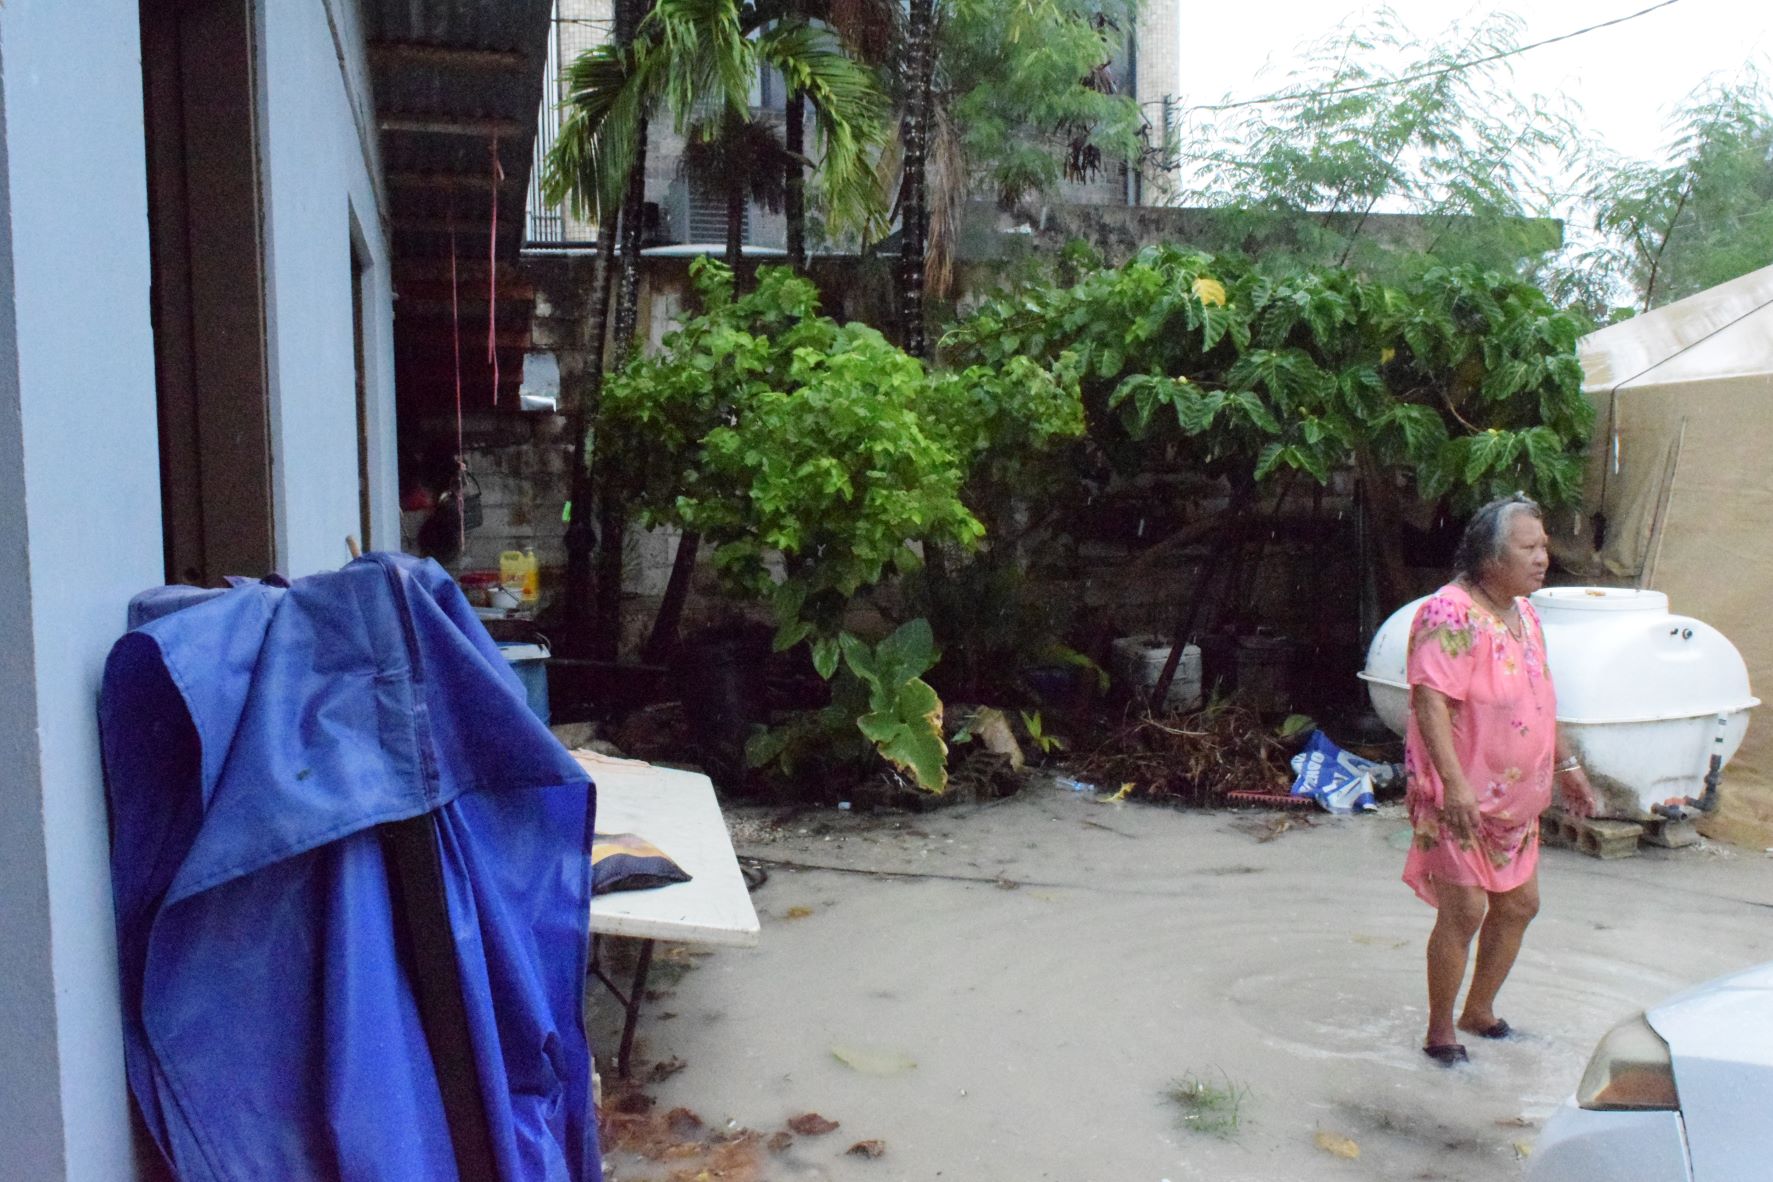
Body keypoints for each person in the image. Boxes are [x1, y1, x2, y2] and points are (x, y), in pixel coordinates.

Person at [1402, 493, 1599, 1065]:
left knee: (1519, 906)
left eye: (1544, 546)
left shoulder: (1525, 612)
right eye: (1528, 547)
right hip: (1459, 795)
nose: (1543, 557)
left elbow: (1540, 696)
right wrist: (1455, 784)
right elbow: (1429, 702)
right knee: (1464, 910)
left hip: (1517, 798)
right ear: (1491, 556)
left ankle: (1479, 1010)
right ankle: (1441, 1031)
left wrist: (1568, 767)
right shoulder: (1450, 612)